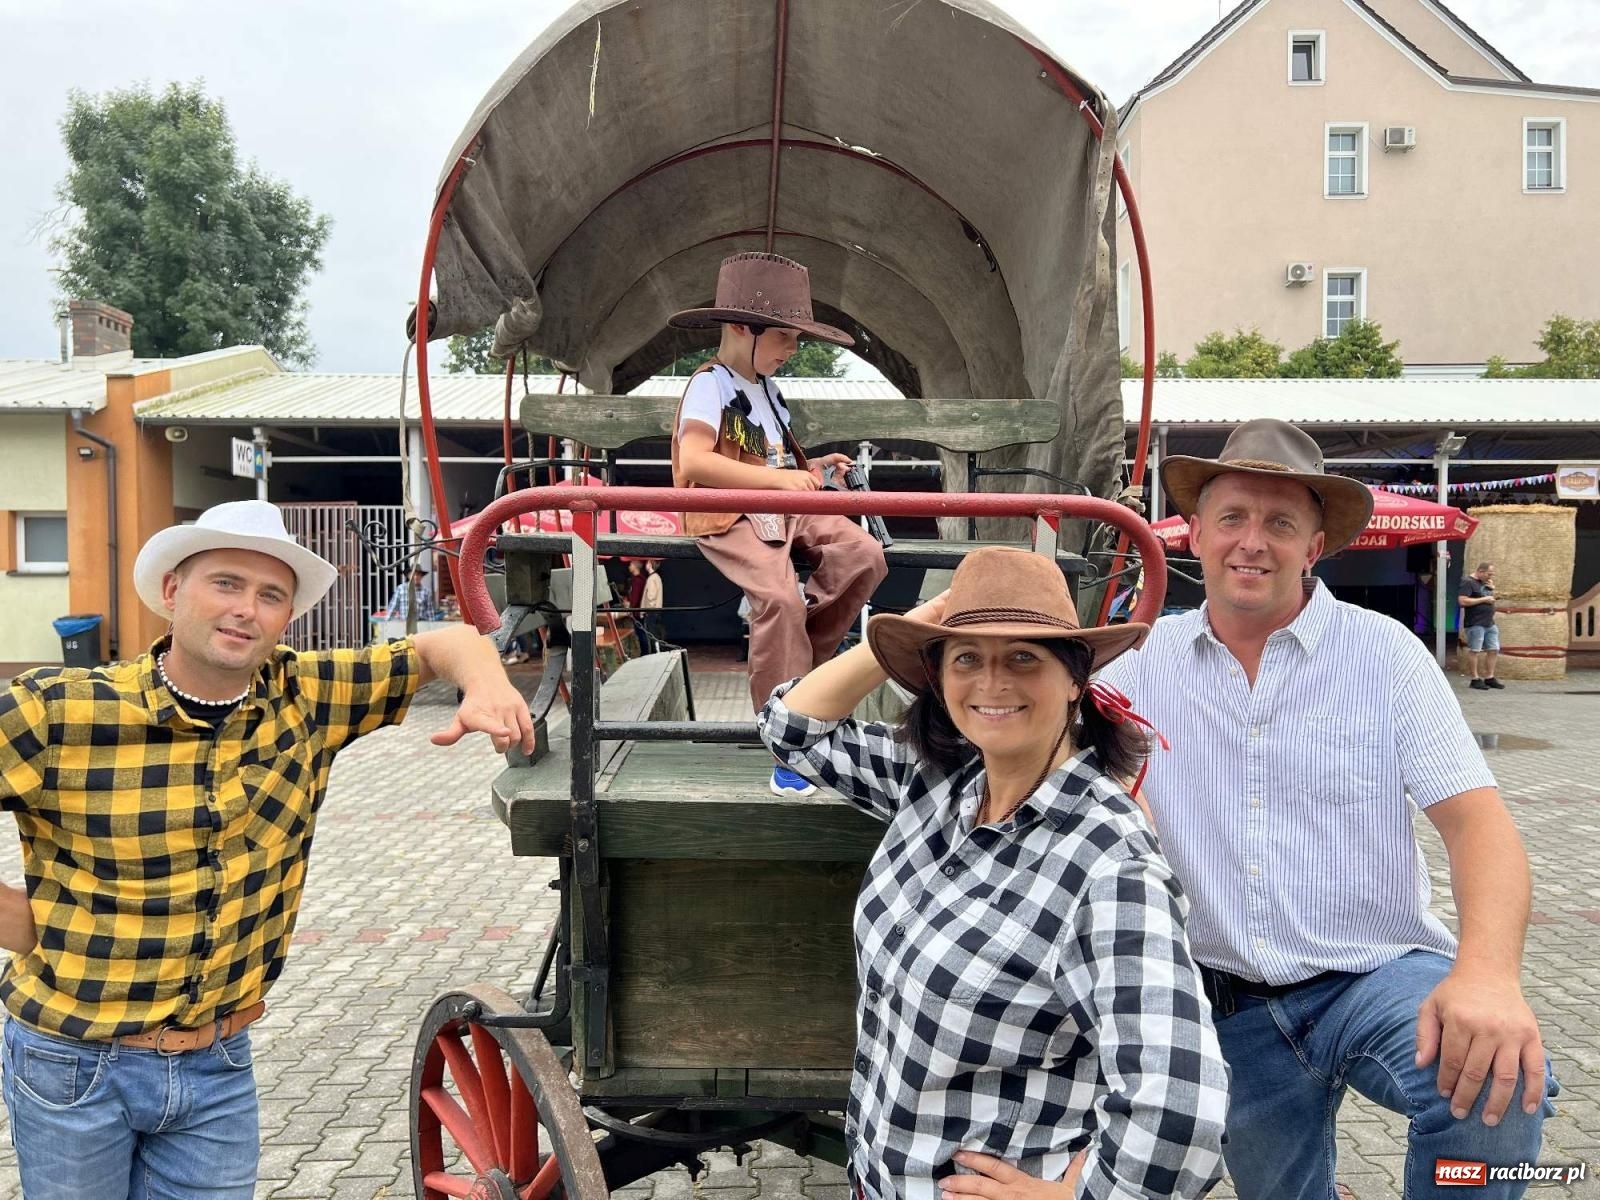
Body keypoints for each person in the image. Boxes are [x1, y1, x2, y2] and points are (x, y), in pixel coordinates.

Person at [0, 500, 534, 1200]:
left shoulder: (305, 696)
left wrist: (487, 683)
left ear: (287, 616)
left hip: (217, 1065)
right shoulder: (57, 711)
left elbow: (449, 644)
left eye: (270, 595)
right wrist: (29, 927)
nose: (245, 609)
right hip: (73, 1064)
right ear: (172, 592)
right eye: (225, 583)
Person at [1096, 420, 1554, 1199]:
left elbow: (1479, 826)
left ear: (1314, 547)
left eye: (1281, 523)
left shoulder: (1385, 655)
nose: (1253, 542)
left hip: (1373, 976)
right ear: (1194, 532)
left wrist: (1487, 976)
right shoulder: (1137, 662)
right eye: (1233, 517)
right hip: (1220, 1001)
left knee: (1492, 1083)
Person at [758, 547, 1229, 1200]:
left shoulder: (1108, 862)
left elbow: (1182, 1108)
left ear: (1075, 679)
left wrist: (1073, 1196)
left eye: (1023, 657)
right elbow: (792, 732)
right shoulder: (938, 783)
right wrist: (919, 624)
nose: (992, 683)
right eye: (967, 658)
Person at [669, 251, 888, 797]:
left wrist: (814, 468)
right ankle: (790, 742)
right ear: (743, 327)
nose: (794, 349)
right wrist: (782, 483)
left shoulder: (767, 391)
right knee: (780, 602)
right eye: (787, 337)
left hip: (780, 506)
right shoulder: (710, 383)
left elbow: (774, 468)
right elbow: (694, 463)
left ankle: (801, 679)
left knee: (864, 557)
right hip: (729, 511)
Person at [1460, 561, 1504, 690]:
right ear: (1480, 571)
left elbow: (1488, 597)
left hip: (1489, 622)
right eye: (1489, 574)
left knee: (1494, 649)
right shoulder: (1467, 582)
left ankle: (1489, 677)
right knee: (1475, 650)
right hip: (1475, 622)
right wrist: (1484, 599)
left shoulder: (1485, 583)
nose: (1490, 577)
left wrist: (1491, 590)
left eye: (1492, 574)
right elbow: (1462, 601)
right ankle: (1475, 678)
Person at [640, 558, 665, 652]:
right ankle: (658, 652)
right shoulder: (656, 577)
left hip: (651, 612)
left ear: (650, 564)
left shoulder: (652, 578)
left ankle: (656, 654)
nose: (646, 564)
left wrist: (645, 610)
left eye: (647, 562)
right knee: (656, 634)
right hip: (656, 611)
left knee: (652, 636)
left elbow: (651, 597)